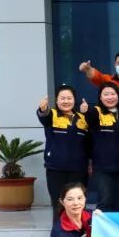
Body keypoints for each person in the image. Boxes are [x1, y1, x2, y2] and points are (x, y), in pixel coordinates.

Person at [37, 85, 90, 221]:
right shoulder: (52, 114)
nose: (66, 101)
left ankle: (78, 231)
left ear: (74, 100)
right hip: (56, 169)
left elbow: (89, 143)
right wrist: (43, 109)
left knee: (78, 204)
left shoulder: (82, 118)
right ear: (57, 100)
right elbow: (44, 117)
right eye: (62, 98)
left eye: (69, 98)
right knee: (59, 203)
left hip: (78, 169)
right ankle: (59, 232)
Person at [83, 83, 119, 212]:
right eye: (106, 94)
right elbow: (89, 118)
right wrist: (85, 111)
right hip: (103, 167)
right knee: (105, 202)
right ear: (100, 97)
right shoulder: (96, 112)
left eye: (113, 94)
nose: (110, 97)